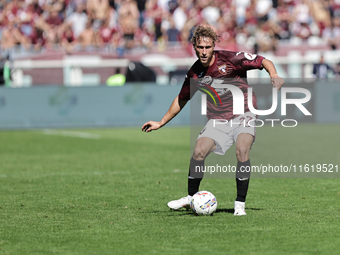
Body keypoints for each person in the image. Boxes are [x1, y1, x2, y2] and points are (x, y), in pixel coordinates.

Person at [141, 25, 284, 216]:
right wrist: (161, 122)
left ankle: (239, 204)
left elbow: (263, 61)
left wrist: (273, 75)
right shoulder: (194, 73)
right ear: (194, 47)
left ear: (213, 46)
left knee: (242, 149)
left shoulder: (231, 59)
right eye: (200, 47)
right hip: (218, 118)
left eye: (207, 47)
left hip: (245, 113)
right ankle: (191, 198)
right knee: (199, 152)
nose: (204, 51)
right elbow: (182, 99)